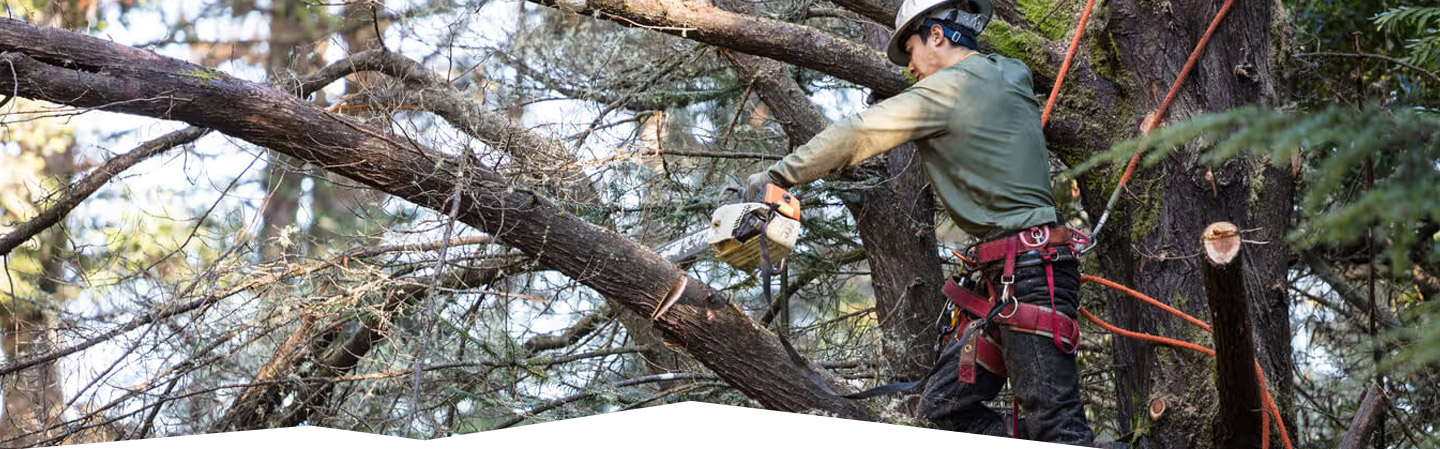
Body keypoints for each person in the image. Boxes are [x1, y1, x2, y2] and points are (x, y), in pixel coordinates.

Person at [742, 0, 1096, 445]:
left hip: (1026, 272)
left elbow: (857, 133)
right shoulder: (1010, 73)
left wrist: (777, 176)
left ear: (937, 35)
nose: (909, 67)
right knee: (944, 410)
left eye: (910, 50)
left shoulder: (949, 91)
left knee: (1058, 426)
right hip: (1014, 273)